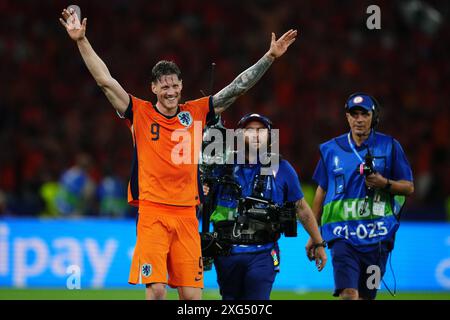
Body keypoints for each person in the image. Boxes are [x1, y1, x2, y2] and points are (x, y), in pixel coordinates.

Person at [59, 7, 297, 300]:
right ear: (153, 88)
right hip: (153, 213)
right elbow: (105, 80)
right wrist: (81, 40)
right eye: (164, 86)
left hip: (187, 214)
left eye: (175, 85)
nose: (171, 91)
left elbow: (236, 88)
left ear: (181, 86)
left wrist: (269, 57)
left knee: (192, 297)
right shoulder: (139, 112)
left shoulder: (196, 112)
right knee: (157, 291)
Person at [203, 113, 327, 300]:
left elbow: (301, 208)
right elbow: (201, 203)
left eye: (260, 130)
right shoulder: (221, 166)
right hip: (226, 253)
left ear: (270, 136)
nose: (255, 135)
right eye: (249, 130)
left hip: (263, 253)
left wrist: (318, 242)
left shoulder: (282, 168)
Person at [307, 93, 414, 300]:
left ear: (373, 117)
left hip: (378, 240)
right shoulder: (330, 149)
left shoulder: (390, 146)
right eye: (353, 114)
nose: (359, 119)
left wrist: (385, 183)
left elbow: (408, 187)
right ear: (347, 117)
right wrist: (314, 234)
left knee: (366, 296)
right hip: (342, 236)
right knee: (348, 294)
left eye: (364, 114)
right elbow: (322, 189)